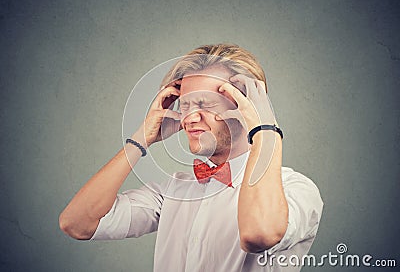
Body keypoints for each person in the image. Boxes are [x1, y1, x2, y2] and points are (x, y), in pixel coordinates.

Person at [59, 44, 323, 271]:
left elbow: (259, 234)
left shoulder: (296, 190)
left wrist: (265, 130)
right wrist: (142, 138)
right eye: (185, 105)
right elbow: (77, 223)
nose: (189, 118)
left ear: (247, 107)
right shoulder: (173, 190)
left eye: (205, 104)